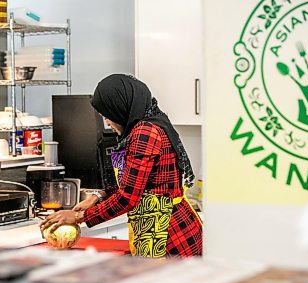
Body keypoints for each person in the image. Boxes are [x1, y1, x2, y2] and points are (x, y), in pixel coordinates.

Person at [40, 74, 202, 258]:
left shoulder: (145, 132)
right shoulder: (150, 125)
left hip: (167, 235)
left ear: (120, 107)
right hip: (166, 229)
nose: (107, 122)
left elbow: (128, 197)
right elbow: (135, 182)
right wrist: (97, 196)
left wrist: (78, 217)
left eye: (107, 115)